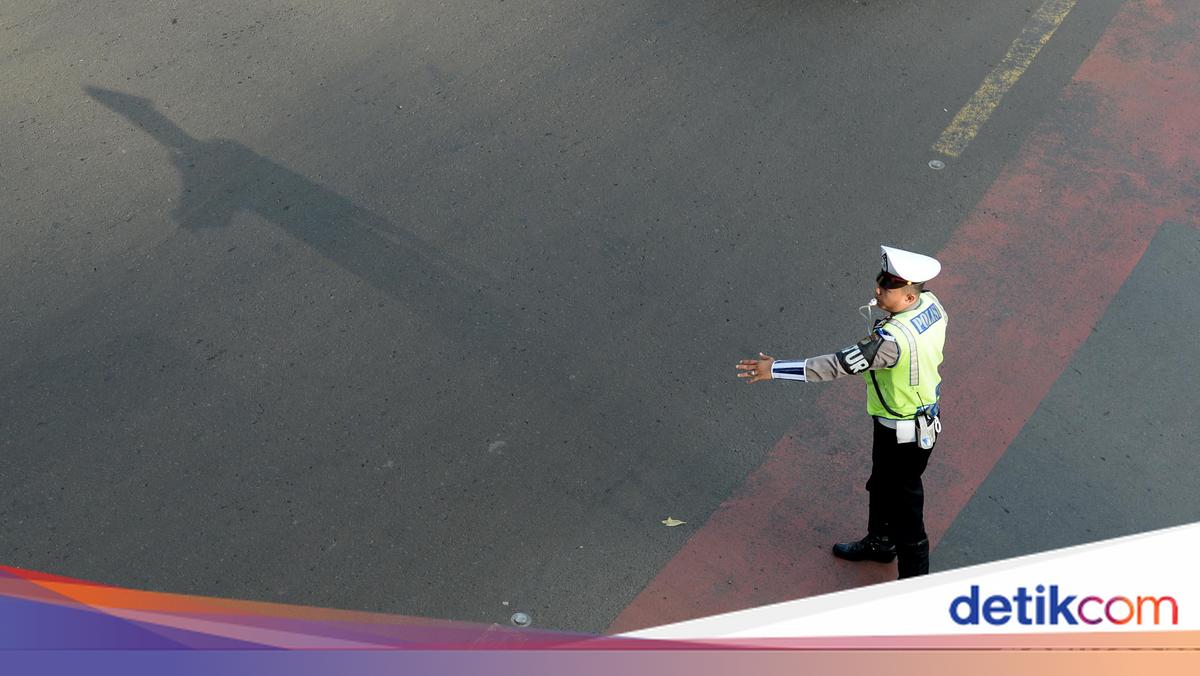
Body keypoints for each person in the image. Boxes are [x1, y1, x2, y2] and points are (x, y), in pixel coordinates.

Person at [735, 246, 947, 578]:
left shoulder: (891, 341)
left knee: (908, 516)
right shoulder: (930, 304)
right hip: (906, 422)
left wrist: (774, 368)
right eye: (880, 281)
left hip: (903, 432)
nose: (878, 289)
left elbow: (834, 366)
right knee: (880, 484)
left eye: (887, 287)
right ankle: (880, 543)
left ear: (907, 297)